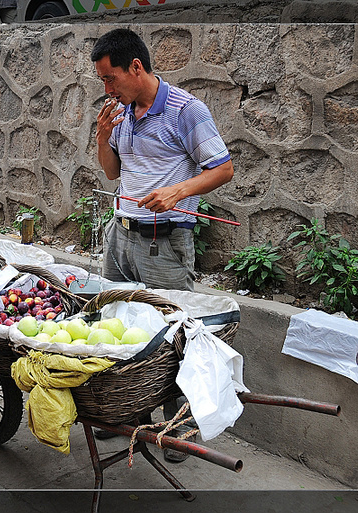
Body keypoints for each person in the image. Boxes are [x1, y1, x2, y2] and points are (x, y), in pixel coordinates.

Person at [91, 28, 235, 462]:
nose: (106, 88)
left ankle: (181, 427)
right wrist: (101, 138)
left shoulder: (185, 110)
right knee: (122, 326)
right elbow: (113, 172)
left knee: (174, 337)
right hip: (122, 235)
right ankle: (131, 414)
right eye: (102, 80)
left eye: (110, 78)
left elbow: (223, 168)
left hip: (164, 241)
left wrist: (177, 192)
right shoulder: (121, 111)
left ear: (136, 67)